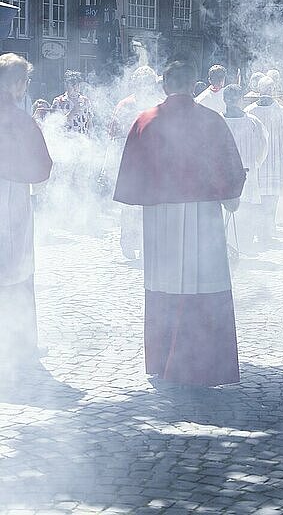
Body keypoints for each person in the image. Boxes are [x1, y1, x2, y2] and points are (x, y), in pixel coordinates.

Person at [114, 61, 246, 386]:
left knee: (164, 283)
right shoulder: (211, 120)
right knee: (202, 283)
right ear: (194, 84)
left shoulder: (145, 120)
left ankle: (162, 360)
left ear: (164, 85)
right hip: (203, 213)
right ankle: (201, 364)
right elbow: (229, 165)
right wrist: (230, 195)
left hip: (159, 216)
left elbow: (133, 170)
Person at [0, 54, 52, 375]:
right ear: (18, 84)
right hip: (9, 198)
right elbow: (41, 166)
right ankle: (17, 344)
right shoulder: (17, 118)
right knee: (15, 266)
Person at [107, 66, 162, 261]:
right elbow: (114, 132)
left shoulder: (158, 103)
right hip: (132, 161)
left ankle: (144, 243)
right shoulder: (126, 104)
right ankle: (130, 242)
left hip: (150, 161)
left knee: (146, 204)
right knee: (132, 205)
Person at [246, 76, 283, 245]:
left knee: (263, 198)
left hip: (261, 161)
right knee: (268, 199)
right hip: (270, 161)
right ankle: (266, 231)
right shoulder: (279, 111)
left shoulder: (251, 111)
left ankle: (263, 230)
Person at [223, 84, 268, 252]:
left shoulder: (253, 122)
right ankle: (236, 245)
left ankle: (239, 245)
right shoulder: (250, 122)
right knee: (237, 210)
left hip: (238, 175)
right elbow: (263, 149)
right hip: (238, 174)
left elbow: (262, 147)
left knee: (243, 210)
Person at [51, 70, 95, 135]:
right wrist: (74, 111)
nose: (75, 89)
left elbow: (89, 123)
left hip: (83, 141)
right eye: (72, 86)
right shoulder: (58, 101)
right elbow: (55, 124)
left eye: (77, 86)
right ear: (66, 86)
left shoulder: (85, 101)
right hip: (65, 140)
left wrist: (91, 137)